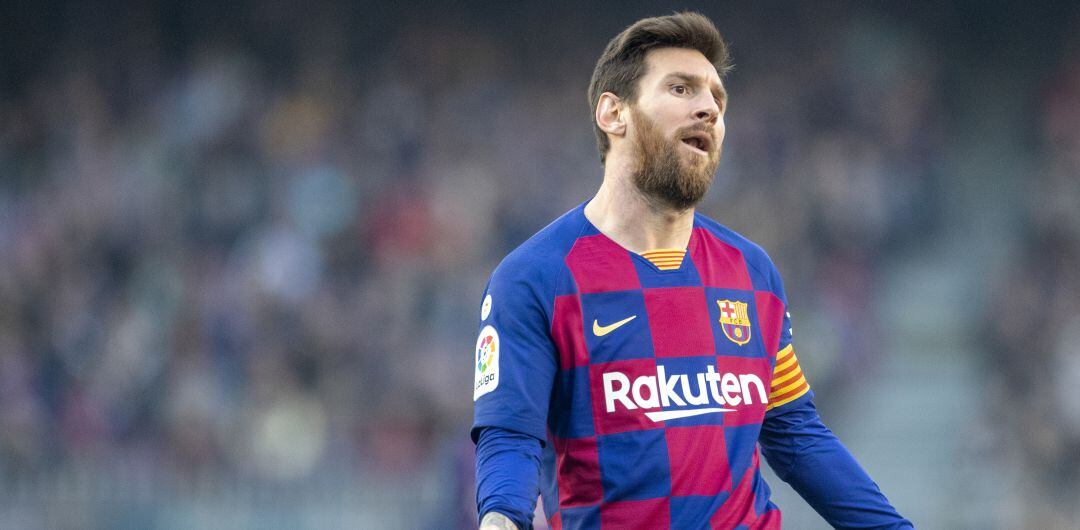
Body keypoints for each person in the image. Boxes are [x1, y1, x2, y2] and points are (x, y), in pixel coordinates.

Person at [472, 12, 913, 530]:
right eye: (680, 89)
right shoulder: (534, 278)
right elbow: (511, 436)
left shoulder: (752, 273)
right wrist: (500, 518)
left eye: (717, 100)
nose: (708, 108)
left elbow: (795, 435)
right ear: (613, 113)